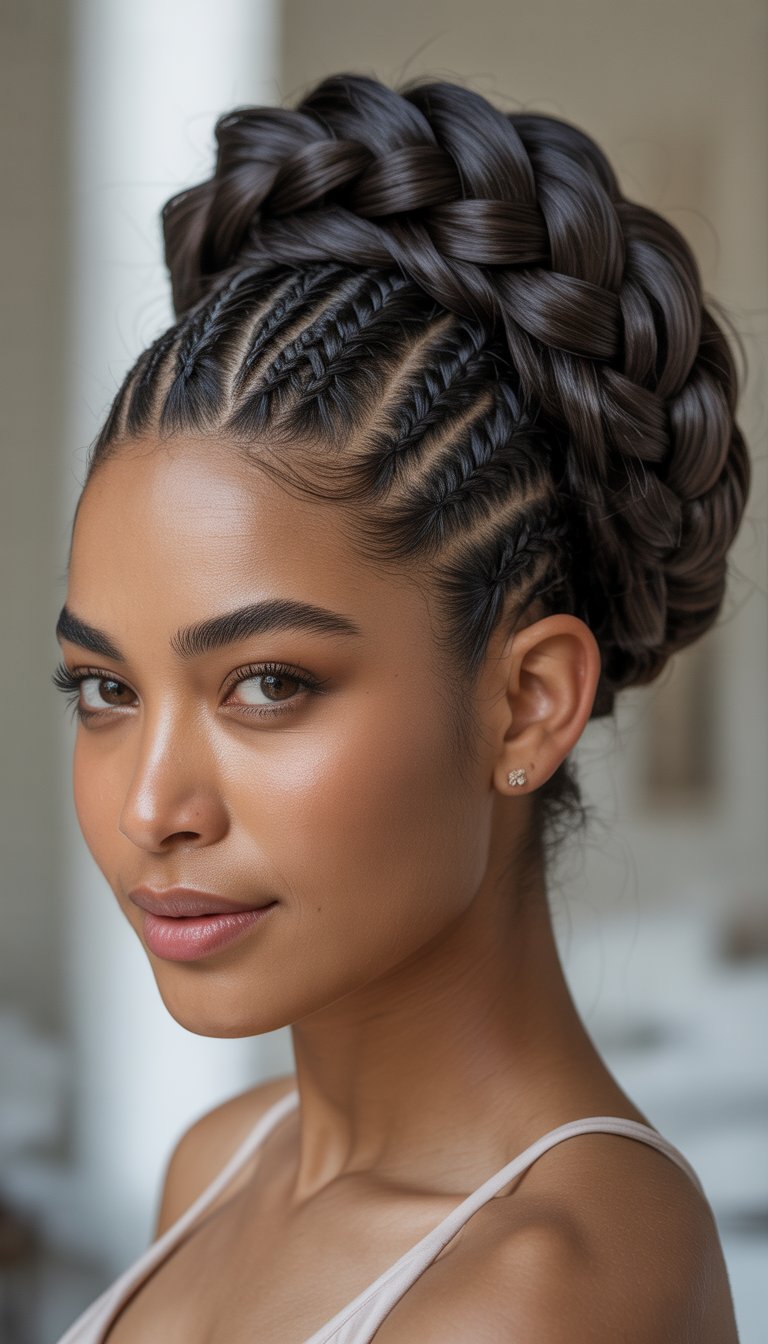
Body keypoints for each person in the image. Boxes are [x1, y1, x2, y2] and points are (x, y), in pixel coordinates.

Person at [54, 73, 748, 1342]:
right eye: (105, 689)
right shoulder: (219, 1163)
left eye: (267, 685)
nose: (151, 806)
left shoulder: (544, 1290)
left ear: (528, 705)